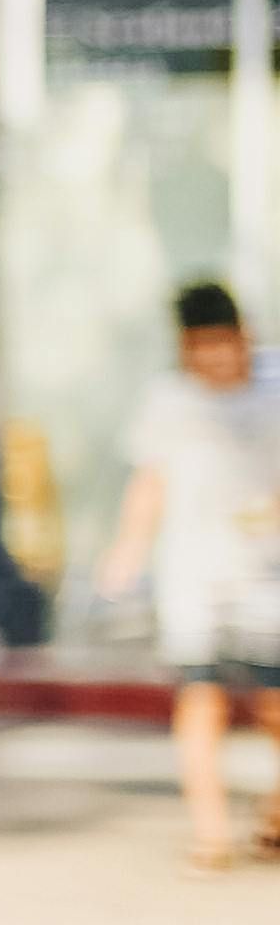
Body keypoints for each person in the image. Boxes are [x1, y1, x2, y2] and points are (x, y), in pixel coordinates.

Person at [87, 280, 280, 869]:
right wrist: (127, 551)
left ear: (243, 336)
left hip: (268, 572)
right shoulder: (168, 399)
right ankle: (211, 832)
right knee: (201, 695)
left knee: (273, 701)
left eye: (223, 344)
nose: (214, 359)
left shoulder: (275, 387)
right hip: (194, 574)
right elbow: (151, 479)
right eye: (200, 347)